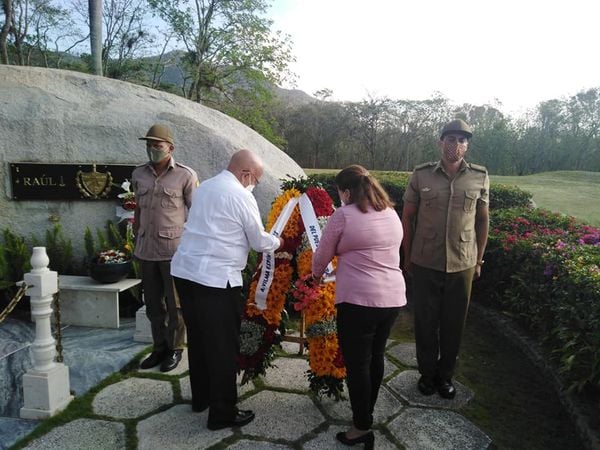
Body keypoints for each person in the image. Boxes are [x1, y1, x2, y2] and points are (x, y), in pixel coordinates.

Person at [171, 149, 283, 431]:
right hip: (215, 280)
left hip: (186, 273)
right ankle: (222, 413)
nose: (254, 184)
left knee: (198, 339)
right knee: (222, 347)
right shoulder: (240, 194)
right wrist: (278, 242)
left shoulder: (206, 185)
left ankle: (202, 399)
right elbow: (258, 240)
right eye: (255, 178)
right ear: (246, 174)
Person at [312, 165, 406, 450]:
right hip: (392, 299)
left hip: (358, 302)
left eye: (339, 192)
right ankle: (367, 411)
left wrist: (315, 278)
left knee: (358, 364)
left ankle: (361, 427)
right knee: (376, 357)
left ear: (347, 191)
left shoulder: (344, 215)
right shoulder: (391, 213)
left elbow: (322, 256)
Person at [401, 118, 489, 399]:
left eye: (462, 140)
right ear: (440, 142)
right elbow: (408, 217)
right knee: (425, 322)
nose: (456, 145)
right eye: (451, 139)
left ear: (467, 145)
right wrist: (408, 256)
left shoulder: (480, 176)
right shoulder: (421, 174)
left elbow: (483, 221)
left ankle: (445, 376)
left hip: (463, 263)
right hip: (426, 260)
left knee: (454, 324)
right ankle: (427, 375)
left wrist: (478, 260)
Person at [132, 123, 198, 372]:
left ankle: (175, 349)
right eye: (149, 145)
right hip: (146, 249)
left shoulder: (185, 175)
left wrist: (191, 247)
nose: (152, 149)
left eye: (157, 145)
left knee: (175, 305)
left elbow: (197, 212)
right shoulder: (139, 174)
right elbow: (138, 209)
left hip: (174, 252)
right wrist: (135, 237)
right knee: (152, 304)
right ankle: (159, 348)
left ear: (170, 148)